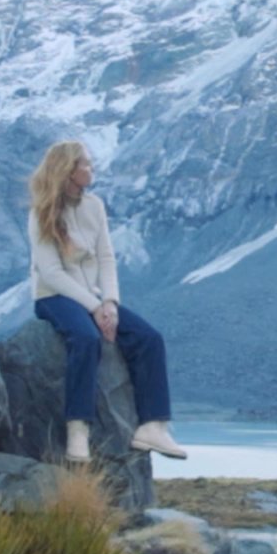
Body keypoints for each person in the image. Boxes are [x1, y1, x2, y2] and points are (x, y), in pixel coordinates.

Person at [27, 140, 187, 464]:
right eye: (85, 164)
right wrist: (94, 307)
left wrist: (110, 302)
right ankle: (78, 430)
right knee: (85, 338)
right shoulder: (41, 213)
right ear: (68, 170)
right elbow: (52, 273)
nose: (91, 169)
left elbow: (106, 259)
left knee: (148, 338)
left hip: (96, 299)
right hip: (54, 297)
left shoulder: (95, 206)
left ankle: (153, 427)